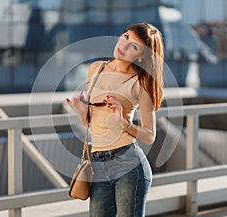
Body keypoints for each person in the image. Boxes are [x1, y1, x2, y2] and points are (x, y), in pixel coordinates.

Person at [66, 22, 164, 217]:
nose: (124, 46)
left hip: (128, 164)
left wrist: (124, 123)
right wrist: (80, 110)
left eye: (134, 47)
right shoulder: (96, 69)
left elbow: (150, 135)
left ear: (141, 55)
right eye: (126, 37)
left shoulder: (140, 83)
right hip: (98, 163)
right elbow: (93, 123)